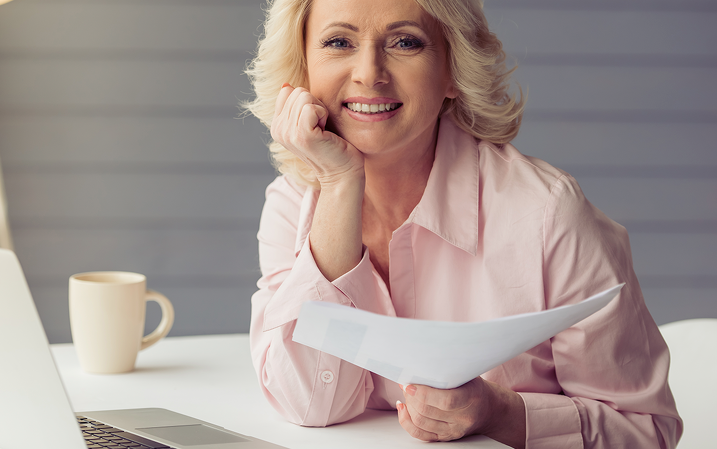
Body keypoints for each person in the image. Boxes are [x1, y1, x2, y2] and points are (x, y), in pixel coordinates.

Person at [243, 0, 682, 448]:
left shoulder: (549, 214)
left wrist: (500, 413)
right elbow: (308, 404)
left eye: (405, 42)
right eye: (339, 41)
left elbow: (646, 431)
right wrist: (339, 184)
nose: (369, 72)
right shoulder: (292, 203)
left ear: (453, 70)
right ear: (302, 69)